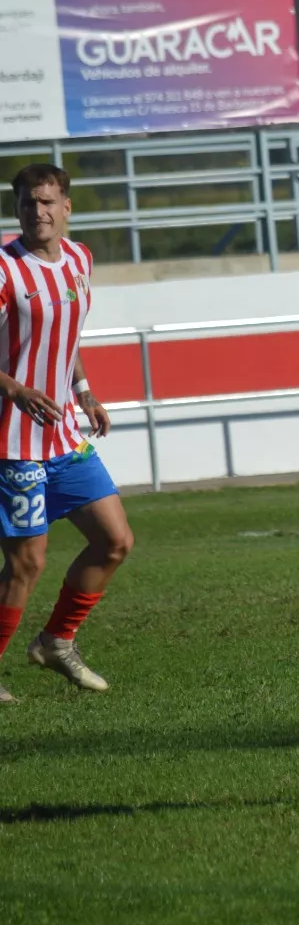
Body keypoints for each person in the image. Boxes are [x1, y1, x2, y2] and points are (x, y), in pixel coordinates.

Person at [0, 164, 135, 703]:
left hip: (62, 437)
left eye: (49, 202)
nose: (40, 212)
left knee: (114, 541)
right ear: (17, 209)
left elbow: (67, 335)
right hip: (12, 444)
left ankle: (56, 642)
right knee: (27, 562)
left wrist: (84, 391)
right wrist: (15, 390)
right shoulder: (5, 270)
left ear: (67, 207)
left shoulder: (79, 259)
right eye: (30, 203)